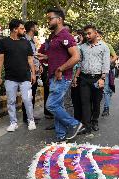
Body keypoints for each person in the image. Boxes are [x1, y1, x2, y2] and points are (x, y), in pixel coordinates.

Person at [44, 8, 83, 142]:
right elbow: (55, 56)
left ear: (59, 19)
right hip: (54, 77)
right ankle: (61, 137)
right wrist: (43, 56)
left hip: (62, 77)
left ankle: (74, 124)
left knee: (51, 105)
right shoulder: (54, 37)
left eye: (50, 18)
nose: (48, 21)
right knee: (58, 106)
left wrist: (60, 69)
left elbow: (76, 57)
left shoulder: (66, 35)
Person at [0, 19, 36, 132]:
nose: (24, 30)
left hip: (25, 78)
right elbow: (0, 60)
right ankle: (13, 123)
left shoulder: (26, 42)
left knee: (27, 100)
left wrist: (33, 74)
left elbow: (30, 60)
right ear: (15, 29)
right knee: (11, 101)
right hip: (10, 78)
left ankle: (31, 120)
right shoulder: (3, 42)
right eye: (22, 28)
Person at [78, 24, 110, 134]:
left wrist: (103, 78)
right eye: (85, 34)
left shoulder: (104, 47)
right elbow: (79, 62)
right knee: (85, 102)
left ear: (95, 33)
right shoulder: (82, 47)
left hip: (98, 78)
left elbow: (106, 63)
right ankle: (86, 125)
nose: (87, 36)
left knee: (96, 102)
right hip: (84, 78)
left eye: (89, 33)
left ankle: (94, 121)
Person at [22, 21, 42, 124]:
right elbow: (25, 57)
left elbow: (34, 56)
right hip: (28, 72)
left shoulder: (32, 41)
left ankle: (31, 116)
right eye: (36, 27)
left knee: (32, 94)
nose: (38, 29)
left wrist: (40, 65)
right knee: (28, 95)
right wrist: (34, 67)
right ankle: (27, 118)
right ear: (32, 28)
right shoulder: (24, 40)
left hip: (35, 72)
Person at [96, 30, 118, 117]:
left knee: (105, 90)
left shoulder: (107, 45)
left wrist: (107, 63)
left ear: (100, 37)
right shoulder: (91, 45)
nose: (96, 37)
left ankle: (106, 108)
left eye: (97, 36)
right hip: (95, 71)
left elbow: (115, 56)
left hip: (106, 71)